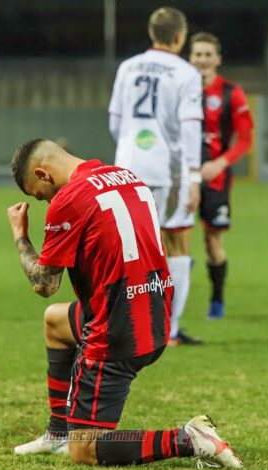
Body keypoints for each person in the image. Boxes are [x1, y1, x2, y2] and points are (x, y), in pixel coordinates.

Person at [6, 139, 242, 468]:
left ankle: (187, 438)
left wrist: (20, 235)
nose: (46, 202)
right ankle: (57, 433)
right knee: (56, 322)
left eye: (40, 195)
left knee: (85, 449)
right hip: (155, 314)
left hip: (115, 332)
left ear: (43, 174)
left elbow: (45, 284)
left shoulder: (70, 199)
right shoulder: (126, 176)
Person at [108, 7, 203, 345]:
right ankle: (168, 330)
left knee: (130, 251)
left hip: (125, 169)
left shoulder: (127, 67)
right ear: (179, 36)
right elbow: (191, 128)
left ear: (152, 34)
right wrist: (193, 178)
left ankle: (126, 327)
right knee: (176, 242)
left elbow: (115, 123)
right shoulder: (186, 73)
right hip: (167, 171)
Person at [189, 32, 254, 319]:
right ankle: (170, 304)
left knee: (212, 242)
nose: (202, 60)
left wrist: (221, 163)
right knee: (172, 239)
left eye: (207, 54)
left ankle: (217, 299)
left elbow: (245, 139)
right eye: (197, 54)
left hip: (215, 178)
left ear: (217, 59)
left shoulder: (231, 93)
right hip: (183, 175)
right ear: (190, 58)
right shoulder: (181, 90)